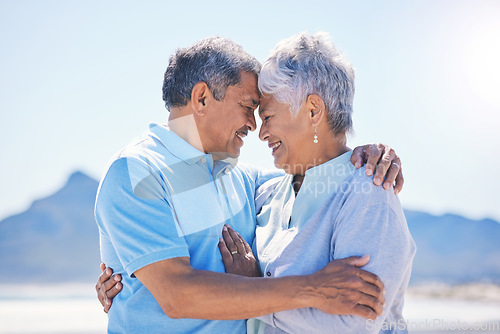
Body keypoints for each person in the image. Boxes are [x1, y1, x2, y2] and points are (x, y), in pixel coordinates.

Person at [94, 35, 403, 333]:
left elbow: (322, 170)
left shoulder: (246, 180)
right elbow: (177, 295)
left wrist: (367, 156)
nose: (255, 126)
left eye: (264, 114)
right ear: (201, 98)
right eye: (248, 106)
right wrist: (312, 289)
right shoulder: (136, 172)